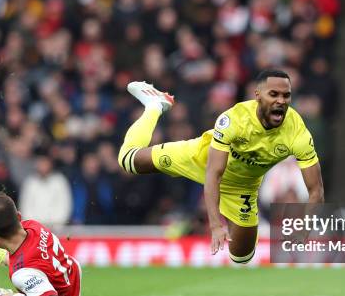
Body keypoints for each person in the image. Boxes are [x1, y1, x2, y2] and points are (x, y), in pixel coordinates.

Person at [118, 69, 324, 264]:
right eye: (274, 94)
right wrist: (216, 224)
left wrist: (304, 227)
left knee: (241, 256)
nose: (281, 101)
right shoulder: (234, 120)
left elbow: (316, 190)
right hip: (201, 160)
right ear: (258, 95)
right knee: (128, 160)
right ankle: (155, 105)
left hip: (242, 187)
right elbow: (213, 174)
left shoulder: (298, 133)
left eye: (286, 95)